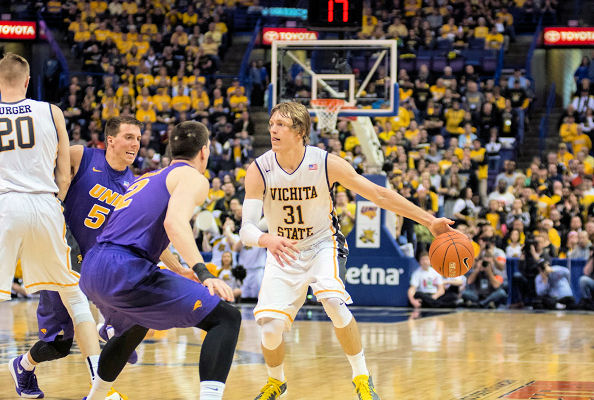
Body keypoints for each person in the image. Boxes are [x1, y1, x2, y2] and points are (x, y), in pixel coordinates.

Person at [239, 102, 454, 400]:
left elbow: (378, 193)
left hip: (322, 245)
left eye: (281, 124)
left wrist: (429, 220)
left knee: (333, 303)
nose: (273, 129)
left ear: (300, 131)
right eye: (272, 123)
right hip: (281, 251)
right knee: (270, 329)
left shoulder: (326, 163)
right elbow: (246, 228)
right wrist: (267, 240)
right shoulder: (259, 169)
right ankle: (277, 381)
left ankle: (362, 377)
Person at [79, 121, 241, 400]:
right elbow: (174, 223)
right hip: (125, 267)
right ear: (205, 152)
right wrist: (204, 273)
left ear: (170, 150)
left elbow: (138, 227)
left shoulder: (147, 178)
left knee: (136, 323)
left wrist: (178, 269)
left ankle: (94, 398)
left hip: (94, 266)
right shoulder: (192, 178)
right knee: (226, 318)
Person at [11, 116, 143, 399]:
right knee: (68, 329)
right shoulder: (82, 156)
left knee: (65, 340)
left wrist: (179, 267)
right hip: (57, 249)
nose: (136, 144)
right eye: (130, 137)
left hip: (92, 263)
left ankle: (29, 367)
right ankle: (29, 367)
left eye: (139, 139)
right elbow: (42, 171)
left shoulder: (133, 186)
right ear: (111, 140)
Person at [0, 52, 104, 398]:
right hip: (44, 203)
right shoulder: (51, 111)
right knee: (73, 295)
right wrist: (56, 199)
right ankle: (100, 387)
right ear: (28, 81)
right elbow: (64, 168)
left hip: (4, 203)